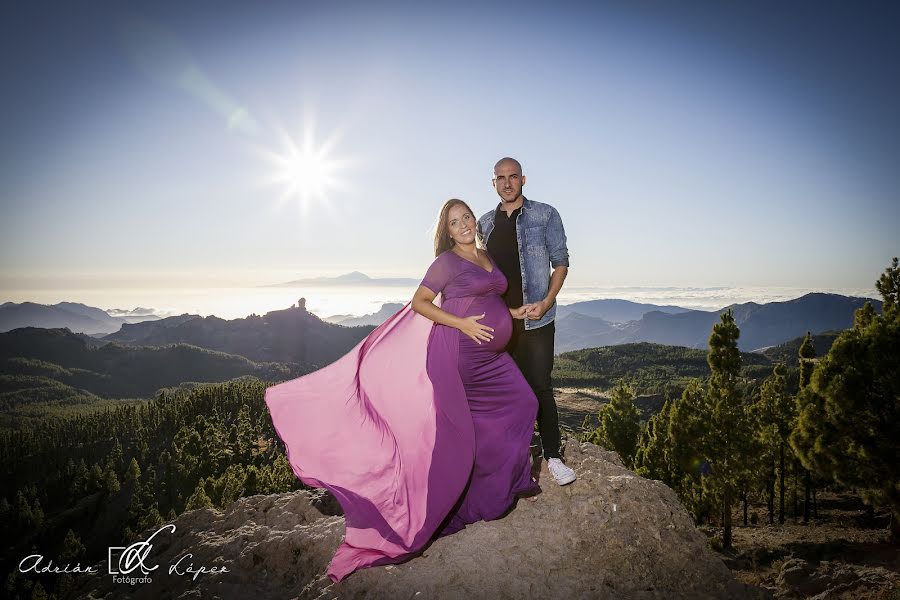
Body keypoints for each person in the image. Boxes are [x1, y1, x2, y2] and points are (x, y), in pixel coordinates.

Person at [264, 198, 539, 583]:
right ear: (446, 230)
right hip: (460, 356)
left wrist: (509, 314)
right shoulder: (445, 262)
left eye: (466, 217)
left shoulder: (483, 253)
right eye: (454, 221)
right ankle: (459, 502)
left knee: (523, 403)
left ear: (474, 220)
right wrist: (462, 326)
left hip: (490, 358)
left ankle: (501, 484)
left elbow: (485, 296)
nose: (462, 225)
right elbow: (421, 303)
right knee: (460, 434)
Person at [478, 157, 577, 486]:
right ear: (493, 183)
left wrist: (546, 302)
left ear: (523, 179)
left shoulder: (545, 215)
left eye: (513, 177)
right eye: (500, 178)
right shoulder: (483, 225)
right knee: (504, 393)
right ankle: (512, 461)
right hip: (500, 325)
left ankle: (553, 457)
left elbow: (561, 262)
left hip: (537, 323)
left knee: (540, 388)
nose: (507, 183)